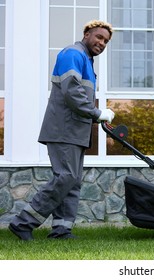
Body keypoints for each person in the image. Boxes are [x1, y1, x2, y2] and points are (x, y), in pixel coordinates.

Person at [8, 20, 115, 240]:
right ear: (86, 34)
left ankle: (61, 229)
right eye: (99, 37)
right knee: (65, 177)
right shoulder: (72, 54)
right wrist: (97, 113)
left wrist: (96, 118)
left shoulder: (86, 60)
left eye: (105, 41)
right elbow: (72, 92)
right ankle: (22, 222)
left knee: (72, 181)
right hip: (63, 129)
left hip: (76, 132)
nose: (102, 43)